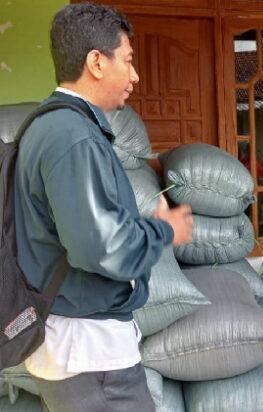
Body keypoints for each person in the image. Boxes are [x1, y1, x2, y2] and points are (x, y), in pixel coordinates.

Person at [14, 4, 193, 411]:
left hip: (75, 344)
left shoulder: (49, 125)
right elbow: (101, 247)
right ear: (96, 61)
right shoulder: (73, 136)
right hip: (89, 354)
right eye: (127, 60)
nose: (135, 76)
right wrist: (164, 230)